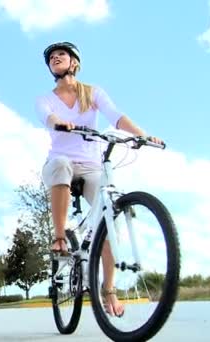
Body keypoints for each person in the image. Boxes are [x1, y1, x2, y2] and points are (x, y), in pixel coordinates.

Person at [34, 42, 163, 317]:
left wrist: (141, 134)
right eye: (52, 58)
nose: (56, 59)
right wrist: (59, 123)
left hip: (91, 164)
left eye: (61, 55)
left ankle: (109, 290)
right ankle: (59, 238)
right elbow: (48, 117)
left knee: (109, 222)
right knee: (59, 164)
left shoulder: (92, 93)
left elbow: (115, 116)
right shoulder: (45, 98)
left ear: (74, 63)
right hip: (61, 162)